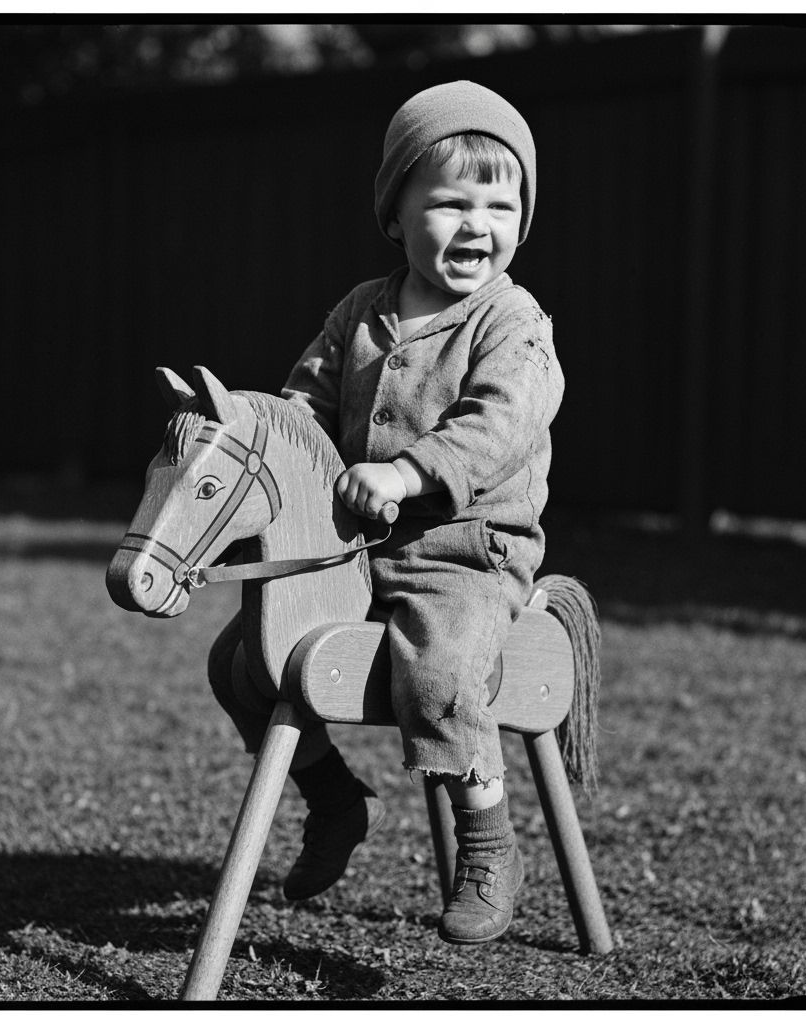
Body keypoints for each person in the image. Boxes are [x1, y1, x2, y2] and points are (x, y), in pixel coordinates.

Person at [208, 80, 564, 945]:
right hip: (358, 552)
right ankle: (333, 797)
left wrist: (409, 475)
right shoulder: (360, 312)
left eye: (500, 202)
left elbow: (498, 426)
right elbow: (304, 407)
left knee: (439, 669)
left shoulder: (512, 322)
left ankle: (486, 834)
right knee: (241, 660)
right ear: (396, 216)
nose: (478, 223)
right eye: (449, 202)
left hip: (465, 552)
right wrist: (252, 427)